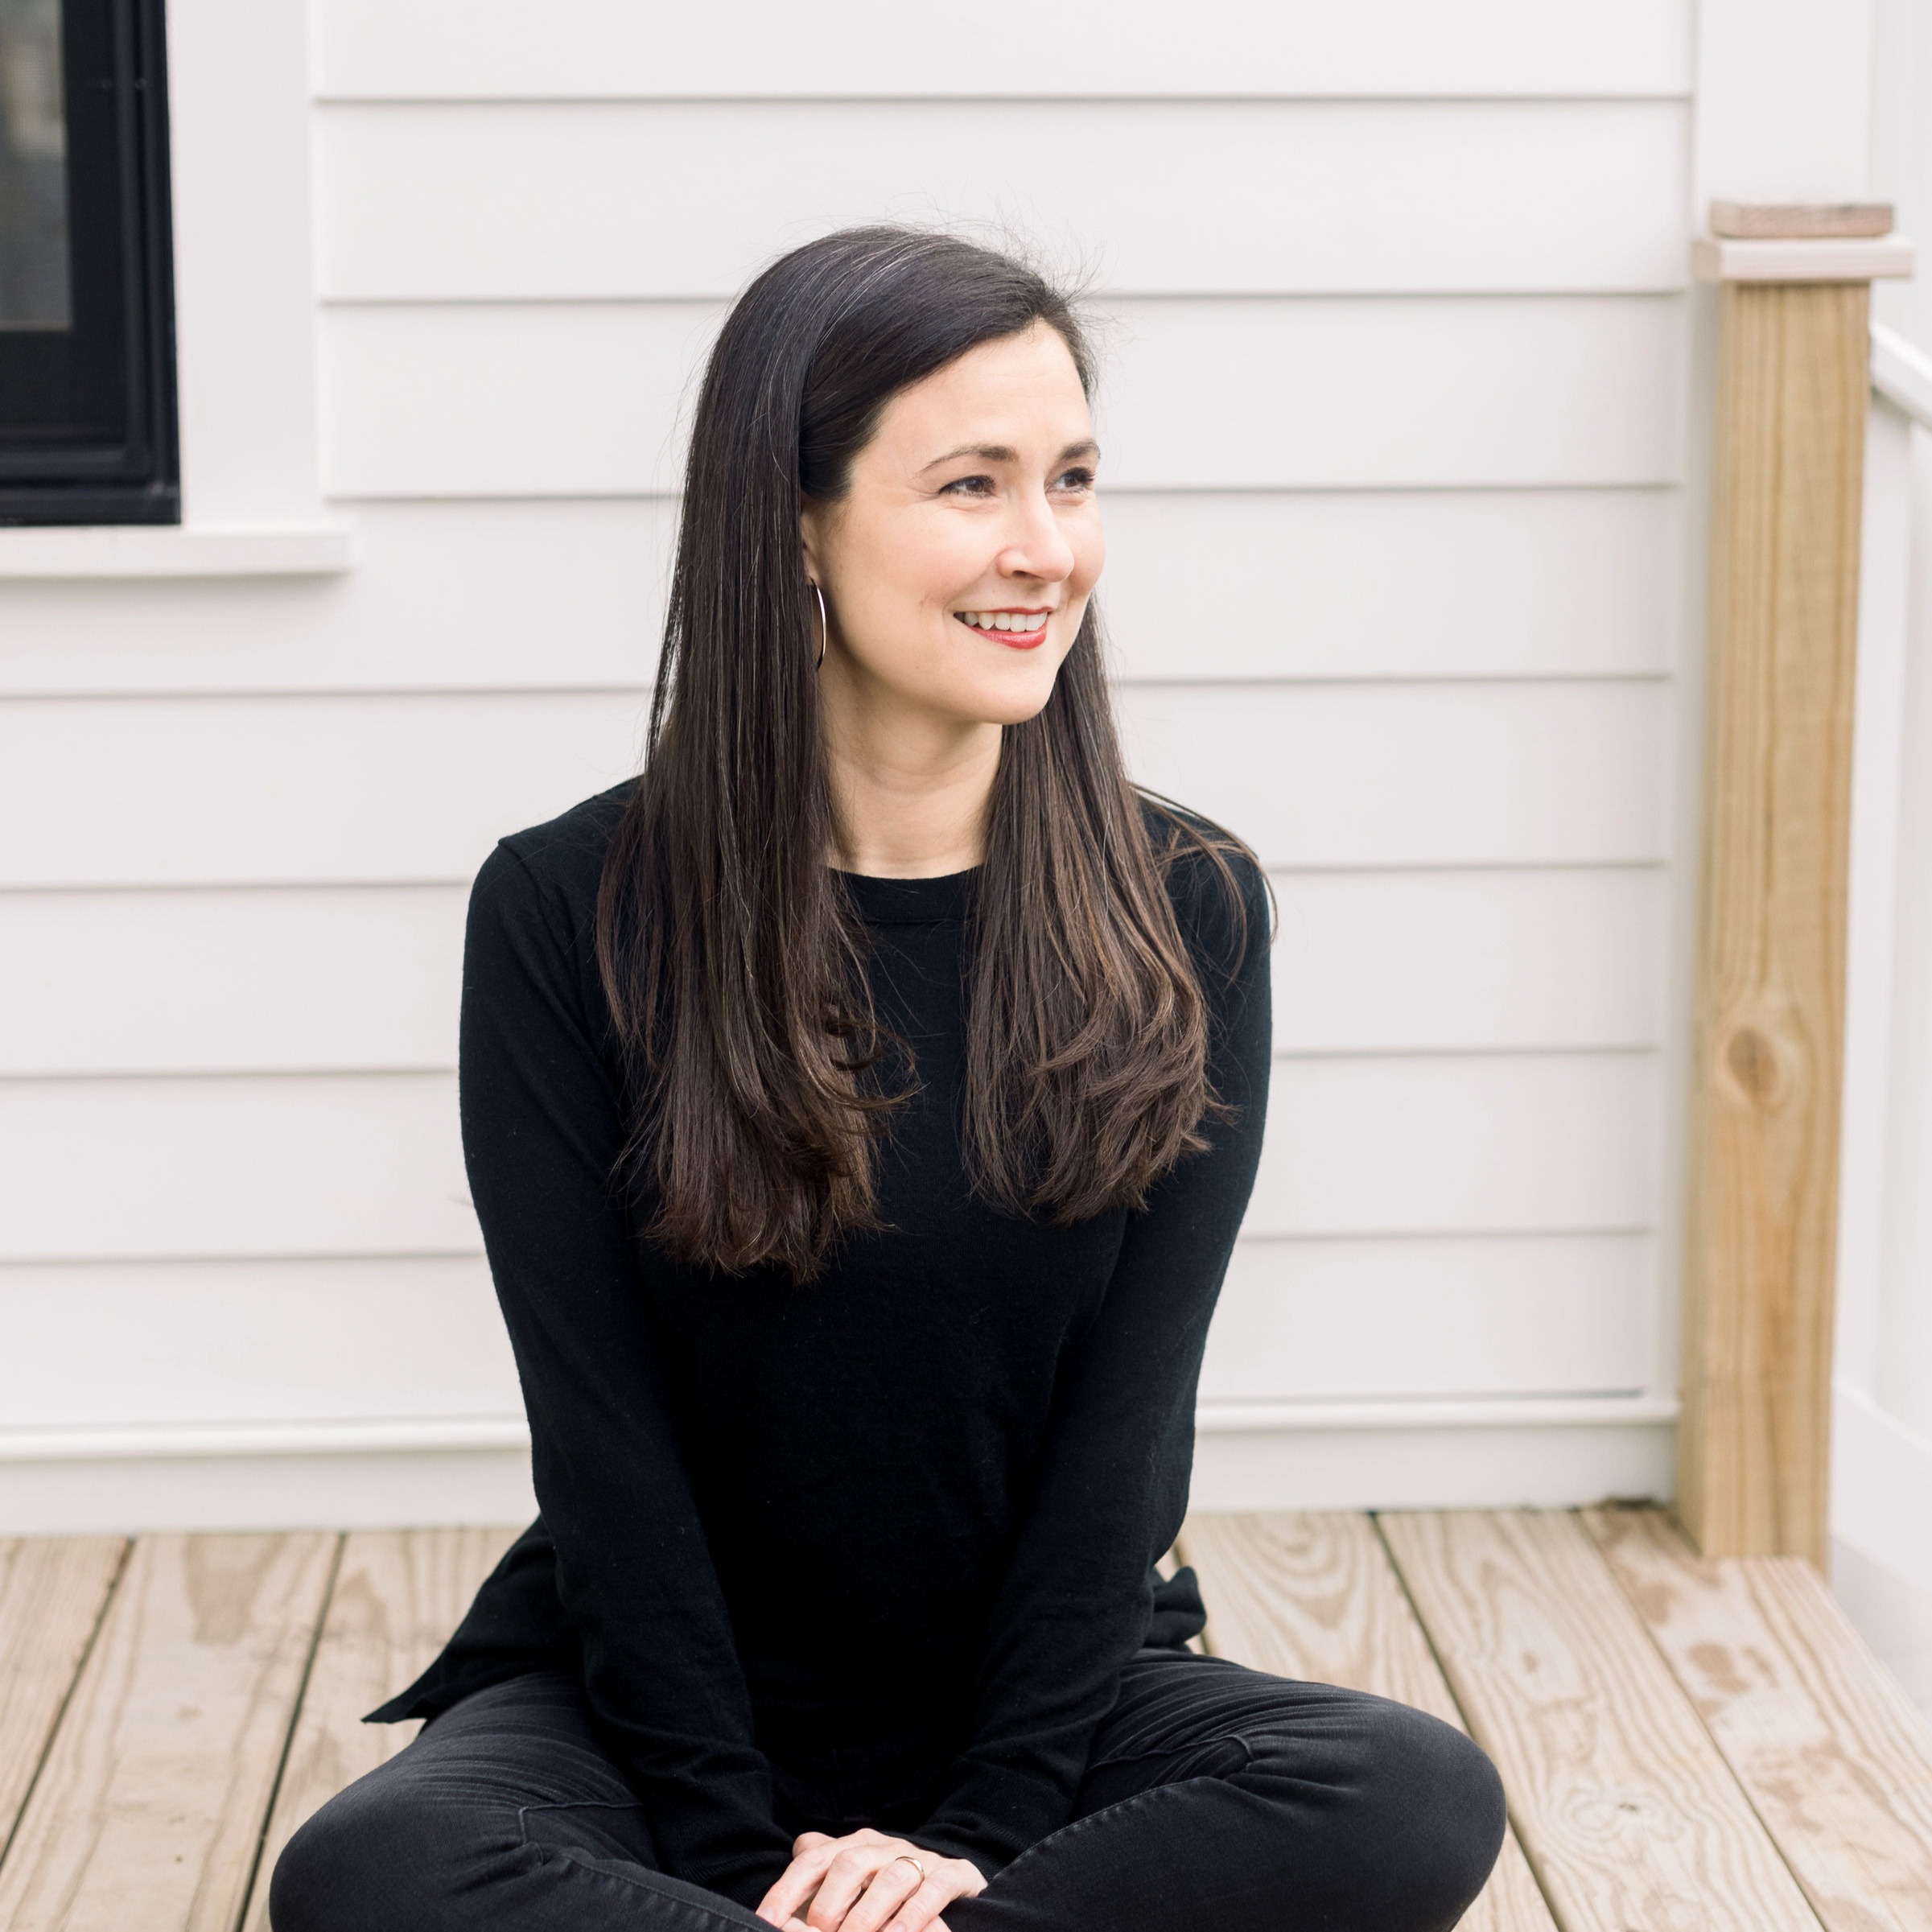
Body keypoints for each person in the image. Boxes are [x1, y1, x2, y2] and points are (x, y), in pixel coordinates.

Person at [269, 226, 1505, 1932]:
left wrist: (985, 1834)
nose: (1043, 548)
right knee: (376, 1871)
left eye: (1071, 478)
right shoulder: (567, 911)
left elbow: (1126, 1441)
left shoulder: (1186, 906)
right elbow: (603, 1446)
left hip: (1039, 1709)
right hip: (650, 1718)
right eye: (971, 485)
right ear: (794, 521)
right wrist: (728, 1858)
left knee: (1404, 1789)